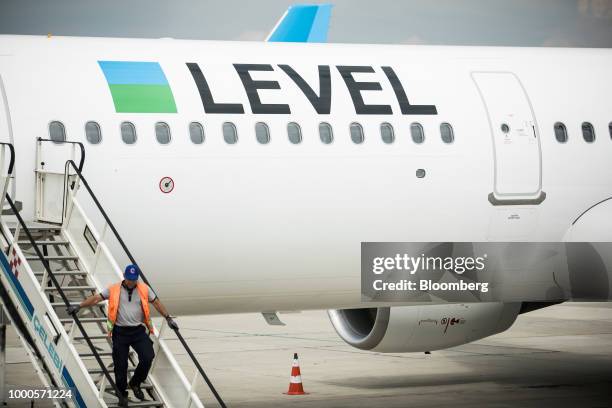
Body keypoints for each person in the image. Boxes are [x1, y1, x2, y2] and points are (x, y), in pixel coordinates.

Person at [67, 264, 178, 406]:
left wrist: (168, 318)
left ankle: (135, 383)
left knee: (147, 356)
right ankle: (122, 394)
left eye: (134, 279)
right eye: (129, 278)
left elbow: (156, 302)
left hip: (138, 331)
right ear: (124, 276)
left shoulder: (144, 289)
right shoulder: (113, 289)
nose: (132, 282)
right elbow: (96, 298)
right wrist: (79, 306)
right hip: (120, 333)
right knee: (121, 366)